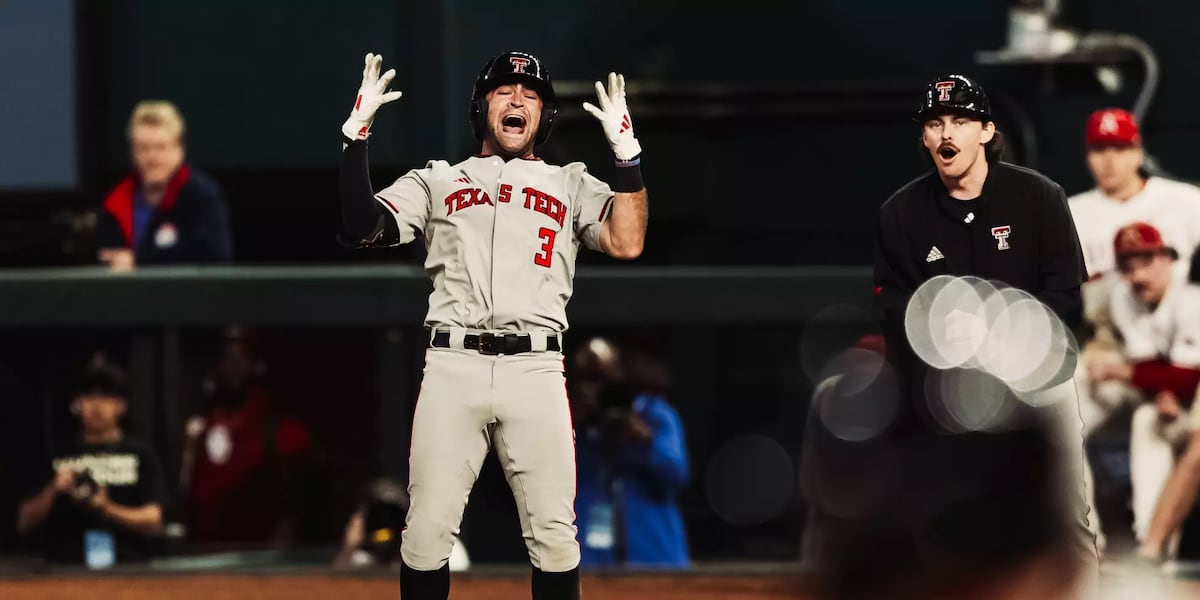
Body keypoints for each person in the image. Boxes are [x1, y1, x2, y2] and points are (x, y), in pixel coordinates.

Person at [337, 51, 649, 600]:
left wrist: (627, 156)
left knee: (555, 537)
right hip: (453, 363)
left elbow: (627, 241)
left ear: (544, 117)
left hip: (536, 366)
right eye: (504, 91)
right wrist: (354, 140)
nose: (517, 100)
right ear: (481, 107)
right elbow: (363, 225)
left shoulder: (570, 182)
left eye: (531, 95)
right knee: (425, 535)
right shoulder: (438, 179)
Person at [869, 74, 1095, 594]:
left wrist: (997, 322)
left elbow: (1067, 298)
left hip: (1037, 381)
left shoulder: (1038, 197)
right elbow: (891, 309)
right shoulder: (900, 213)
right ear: (924, 137)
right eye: (935, 123)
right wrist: (933, 327)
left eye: (960, 121)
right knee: (943, 523)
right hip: (947, 392)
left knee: (1066, 518)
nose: (947, 133)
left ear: (987, 131)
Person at [1082, 223, 1200, 555]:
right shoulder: (1124, 295)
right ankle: (1150, 543)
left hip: (1196, 396)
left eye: (1147, 262)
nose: (1137, 275)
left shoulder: (1191, 292)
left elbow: (1191, 375)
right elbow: (1151, 364)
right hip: (1175, 399)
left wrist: (1126, 372)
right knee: (1147, 420)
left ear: (1168, 258)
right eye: (1128, 267)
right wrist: (1162, 390)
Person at [16, 355, 167, 565]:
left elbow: (154, 521)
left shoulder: (140, 454)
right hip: (67, 568)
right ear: (76, 404)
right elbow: (24, 522)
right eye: (88, 397)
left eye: (106, 397)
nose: (96, 406)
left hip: (128, 567)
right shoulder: (58, 454)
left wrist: (106, 509)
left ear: (121, 405)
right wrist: (54, 490)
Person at [180, 326, 313, 546]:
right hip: (206, 549)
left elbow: (292, 504)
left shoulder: (274, 425)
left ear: (256, 364)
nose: (234, 365)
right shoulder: (205, 419)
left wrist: (277, 552)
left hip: (255, 551)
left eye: (241, 357)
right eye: (228, 357)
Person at [569, 338, 690, 569]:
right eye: (587, 379)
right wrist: (575, 424)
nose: (595, 389)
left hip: (653, 557)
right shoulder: (570, 427)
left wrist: (644, 440)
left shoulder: (654, 415)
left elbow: (676, 475)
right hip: (591, 561)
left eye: (603, 379)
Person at [96, 100, 234, 271]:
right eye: (143, 148)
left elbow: (215, 256)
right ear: (132, 153)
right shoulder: (116, 202)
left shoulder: (200, 196)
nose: (152, 157)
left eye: (160, 147)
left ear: (179, 149)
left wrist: (138, 261)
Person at [334, 477, 471, 571]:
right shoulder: (361, 559)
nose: (386, 523)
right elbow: (336, 590)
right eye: (377, 517)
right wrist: (348, 549)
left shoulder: (446, 549)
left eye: (393, 516)